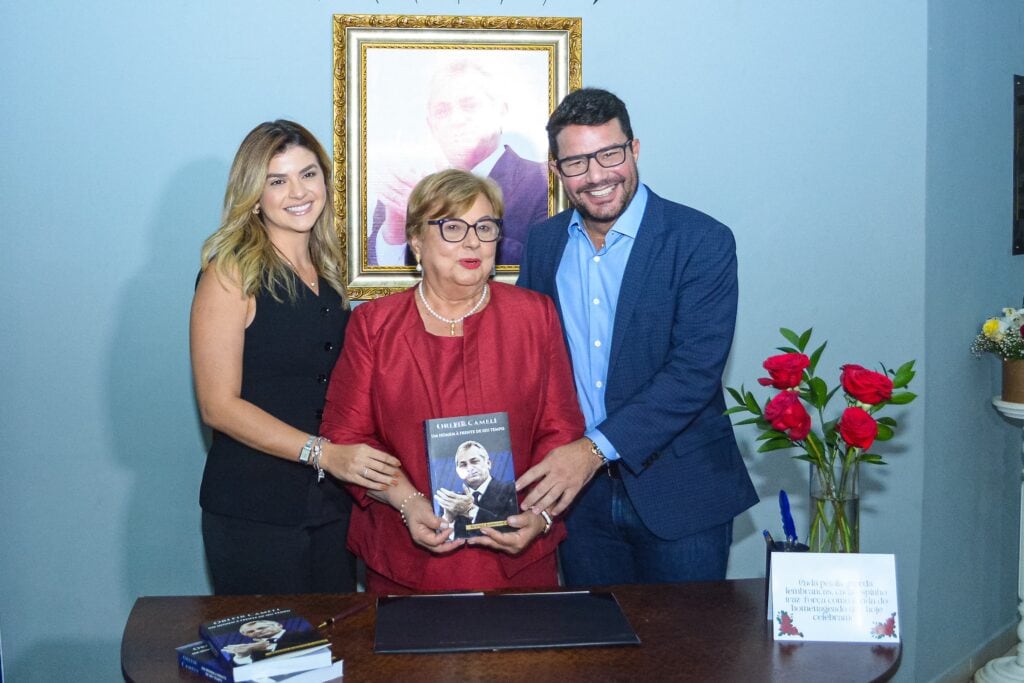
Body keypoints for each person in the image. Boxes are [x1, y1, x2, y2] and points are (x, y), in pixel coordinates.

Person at [516, 88, 759, 586]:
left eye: (610, 154)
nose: (597, 175)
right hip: (578, 503)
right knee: (593, 634)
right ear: (556, 170)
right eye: (577, 162)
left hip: (681, 492)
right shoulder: (542, 244)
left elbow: (693, 374)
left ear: (635, 149)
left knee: (686, 637)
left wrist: (591, 451)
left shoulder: (701, 241)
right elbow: (529, 364)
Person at [321, 168, 583, 594]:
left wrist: (541, 514)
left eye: (485, 227)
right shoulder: (374, 325)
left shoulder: (535, 315)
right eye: (452, 227)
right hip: (407, 557)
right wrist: (406, 501)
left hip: (518, 555)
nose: (473, 242)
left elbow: (561, 430)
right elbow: (348, 437)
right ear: (416, 241)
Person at [190, 120, 401, 595]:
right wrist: (323, 453)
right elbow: (218, 406)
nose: (298, 192)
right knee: (272, 644)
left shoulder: (329, 273)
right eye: (277, 181)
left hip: (331, 508)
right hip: (253, 510)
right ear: (254, 195)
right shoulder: (229, 274)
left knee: (338, 638)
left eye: (308, 174)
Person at [368, 59, 548, 267]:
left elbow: (541, 265)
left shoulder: (544, 182)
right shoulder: (404, 190)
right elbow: (372, 274)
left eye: (469, 106)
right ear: (431, 125)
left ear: (500, 111)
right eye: (442, 111)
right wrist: (395, 232)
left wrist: (443, 216)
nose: (456, 120)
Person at [435, 440, 519, 538]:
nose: (469, 468)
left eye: (474, 461)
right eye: (463, 465)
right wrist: (449, 520)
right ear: (458, 471)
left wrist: (471, 510)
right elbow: (440, 541)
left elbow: (512, 531)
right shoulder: (452, 503)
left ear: (488, 463)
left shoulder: (511, 490)